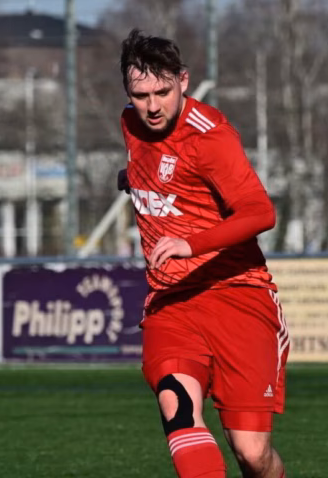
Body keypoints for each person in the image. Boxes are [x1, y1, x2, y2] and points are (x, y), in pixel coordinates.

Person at [118, 29, 290, 478]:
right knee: (177, 407)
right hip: (172, 303)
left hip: (239, 297)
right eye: (140, 95)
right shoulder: (130, 124)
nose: (152, 106)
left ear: (184, 80)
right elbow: (156, 168)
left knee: (252, 454)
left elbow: (260, 212)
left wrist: (190, 244)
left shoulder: (211, 137)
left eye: (162, 92)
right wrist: (132, 179)